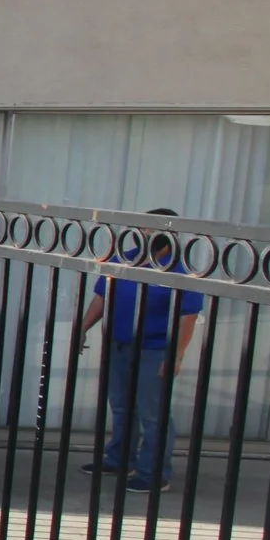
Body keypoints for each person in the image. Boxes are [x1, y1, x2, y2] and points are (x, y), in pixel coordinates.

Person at [74, 208, 205, 493]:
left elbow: (188, 317)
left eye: (152, 230)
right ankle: (119, 459)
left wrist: (175, 356)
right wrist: (82, 328)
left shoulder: (181, 271)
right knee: (121, 407)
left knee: (152, 413)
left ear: (169, 234)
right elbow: (102, 296)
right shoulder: (124, 258)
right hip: (119, 345)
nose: (145, 234)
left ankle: (154, 473)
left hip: (155, 349)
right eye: (143, 229)